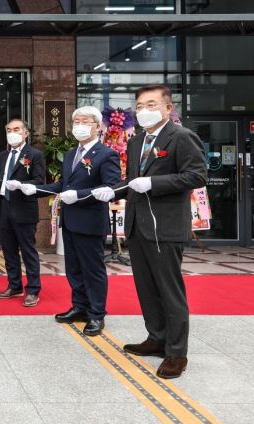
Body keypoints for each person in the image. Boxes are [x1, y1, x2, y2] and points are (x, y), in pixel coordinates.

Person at [92, 85, 206, 378]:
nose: (144, 110)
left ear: (168, 108)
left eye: (151, 104)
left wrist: (156, 183)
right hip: (138, 226)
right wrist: (113, 190)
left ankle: (177, 353)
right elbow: (133, 181)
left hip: (164, 227)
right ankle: (156, 337)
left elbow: (196, 175)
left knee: (170, 291)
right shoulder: (137, 140)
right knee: (146, 288)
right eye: (140, 105)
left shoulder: (181, 136)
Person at [20, 106, 120, 336]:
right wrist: (34, 189)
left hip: (91, 221)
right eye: (76, 122)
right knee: (74, 269)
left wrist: (81, 195)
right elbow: (63, 186)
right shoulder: (71, 154)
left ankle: (96, 314)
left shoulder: (106, 154)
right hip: (70, 221)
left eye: (85, 122)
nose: (79, 126)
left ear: (97, 126)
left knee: (93, 269)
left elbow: (110, 187)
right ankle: (80, 307)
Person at [0, 119, 45, 307]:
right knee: (8, 251)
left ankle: (33, 290)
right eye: (8, 130)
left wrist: (23, 185)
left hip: (24, 208)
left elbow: (40, 181)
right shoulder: (2, 156)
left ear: (25, 133)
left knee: (28, 251)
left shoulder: (35, 155)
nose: (12, 133)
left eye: (16, 129)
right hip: (4, 208)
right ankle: (14, 285)